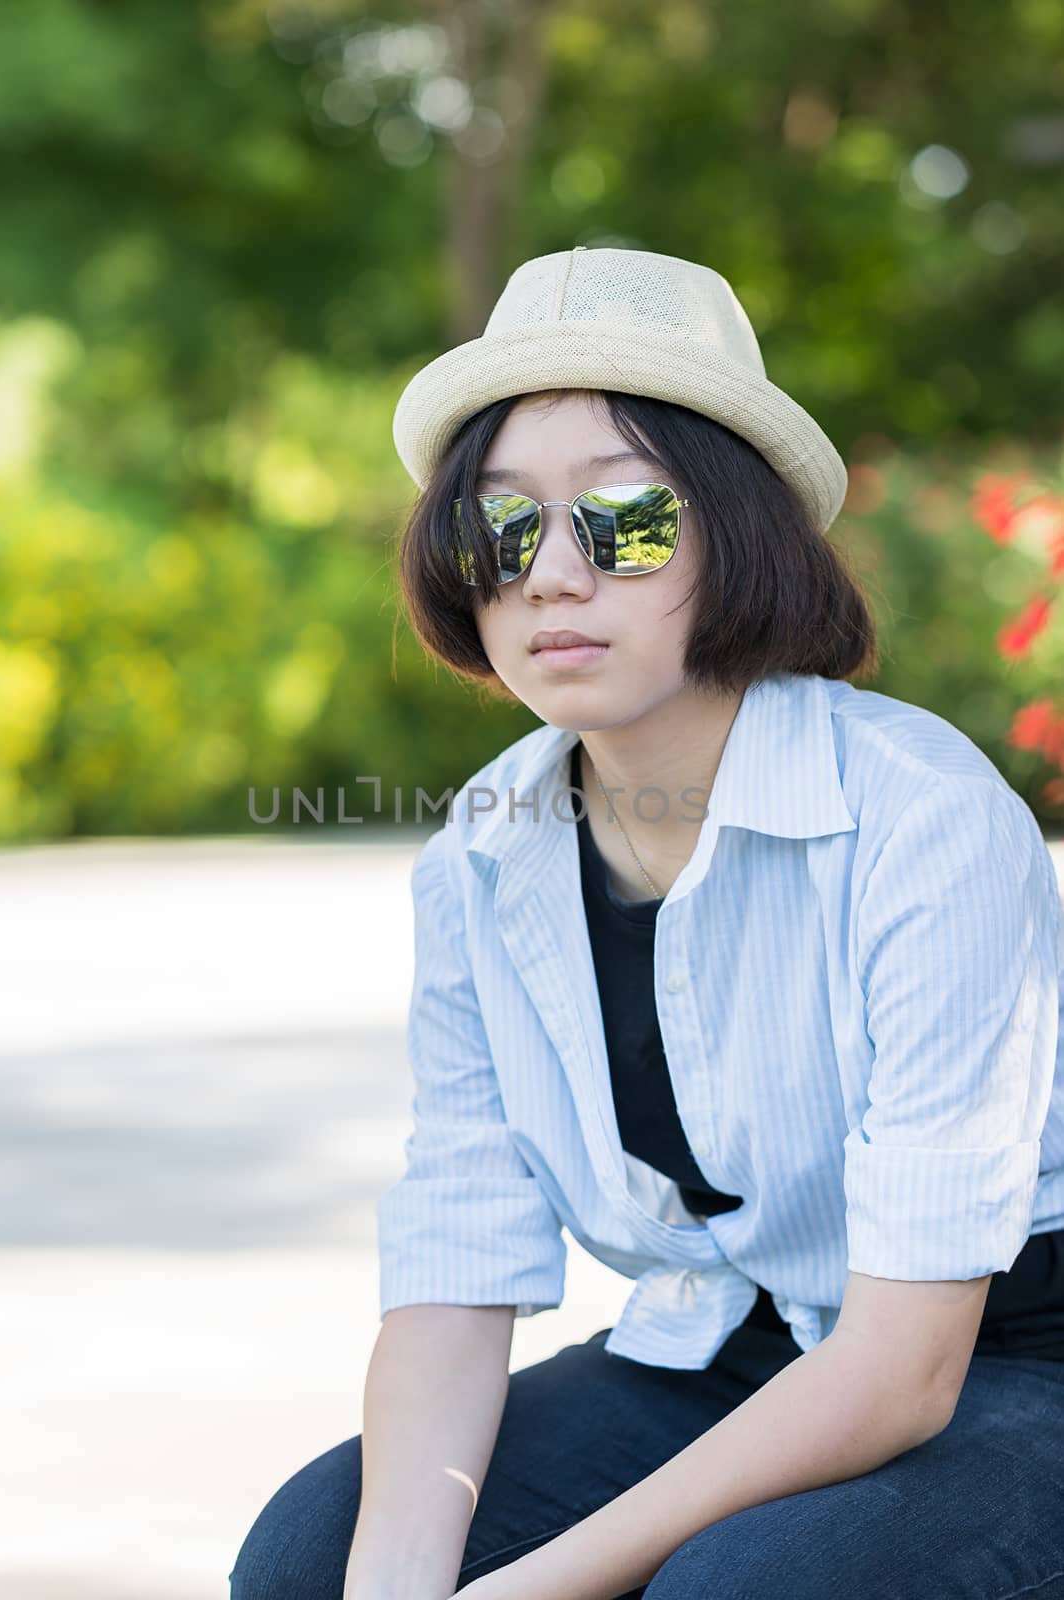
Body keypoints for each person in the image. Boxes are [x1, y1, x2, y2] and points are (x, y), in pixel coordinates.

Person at [228, 247, 1064, 1600]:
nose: (552, 574)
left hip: (1007, 1355)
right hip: (732, 1340)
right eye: (499, 529)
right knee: (312, 1561)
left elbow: (906, 1366)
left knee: (741, 1588)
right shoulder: (483, 855)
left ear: (736, 534)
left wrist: (530, 1587)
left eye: (625, 520)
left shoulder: (921, 817)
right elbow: (458, 1252)